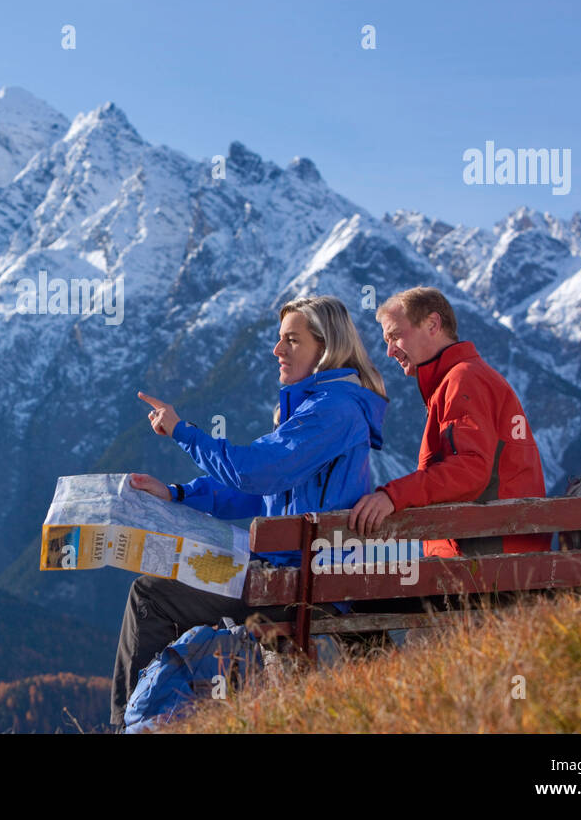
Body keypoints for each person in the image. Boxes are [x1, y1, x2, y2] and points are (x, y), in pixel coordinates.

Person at [110, 294, 389, 730]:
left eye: (292, 340)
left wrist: (184, 432)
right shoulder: (319, 407)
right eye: (280, 339)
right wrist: (177, 493)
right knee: (156, 589)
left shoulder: (332, 411)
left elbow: (253, 473)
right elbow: (260, 493)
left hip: (299, 585)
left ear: (325, 347)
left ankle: (133, 724)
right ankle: (150, 718)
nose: (277, 350)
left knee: (151, 597)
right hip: (296, 575)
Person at [348, 286, 549, 556]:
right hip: (493, 549)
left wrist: (393, 496)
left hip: (488, 556)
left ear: (432, 324)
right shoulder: (460, 378)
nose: (390, 351)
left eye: (395, 336)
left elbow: (469, 469)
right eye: (387, 340)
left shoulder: (464, 380)